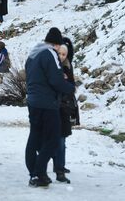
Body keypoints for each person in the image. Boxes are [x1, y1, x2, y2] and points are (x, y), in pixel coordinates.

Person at [25, 27, 75, 188]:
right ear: (56, 44)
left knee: (34, 137)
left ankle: (34, 173)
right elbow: (56, 80)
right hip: (47, 103)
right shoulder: (50, 54)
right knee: (53, 139)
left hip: (33, 101)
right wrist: (70, 87)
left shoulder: (34, 53)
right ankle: (40, 172)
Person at [51, 44, 79, 184]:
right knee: (53, 140)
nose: (61, 56)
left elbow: (72, 87)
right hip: (53, 106)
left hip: (64, 107)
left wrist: (66, 82)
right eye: (60, 53)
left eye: (64, 54)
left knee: (62, 139)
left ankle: (60, 167)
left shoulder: (67, 67)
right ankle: (56, 167)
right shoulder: (52, 66)